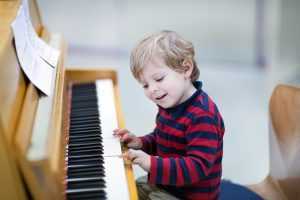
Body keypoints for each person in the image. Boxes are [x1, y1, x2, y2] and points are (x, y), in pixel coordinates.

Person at [114, 30, 225, 200]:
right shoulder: (171, 102)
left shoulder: (202, 116)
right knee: (127, 190)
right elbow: (163, 138)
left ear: (186, 69)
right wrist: (140, 142)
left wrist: (150, 163)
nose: (152, 89)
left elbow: (197, 167)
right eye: (145, 85)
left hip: (190, 195)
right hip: (168, 185)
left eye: (158, 79)